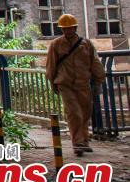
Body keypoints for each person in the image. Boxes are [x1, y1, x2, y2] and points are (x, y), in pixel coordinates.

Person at [45, 14, 105, 156]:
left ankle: (84, 141)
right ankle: (77, 143)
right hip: (65, 83)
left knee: (85, 113)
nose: (67, 31)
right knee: (74, 113)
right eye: (65, 29)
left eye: (70, 28)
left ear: (75, 28)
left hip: (83, 84)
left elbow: (95, 63)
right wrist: (52, 82)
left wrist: (98, 81)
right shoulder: (56, 44)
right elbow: (51, 65)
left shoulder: (86, 44)